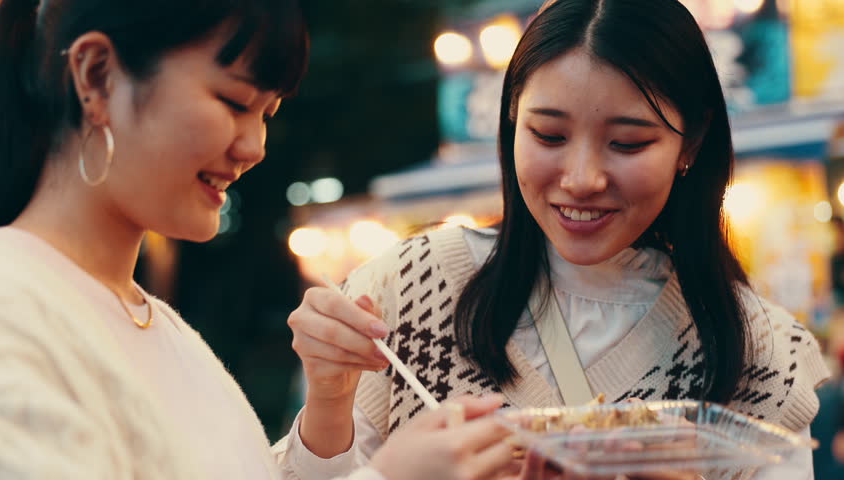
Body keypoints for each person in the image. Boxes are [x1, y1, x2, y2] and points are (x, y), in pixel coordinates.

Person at [0, 0, 516, 478]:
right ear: (96, 76)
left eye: (266, 113)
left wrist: (330, 402)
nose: (255, 146)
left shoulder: (161, 329)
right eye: (235, 102)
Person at [281, 0, 830, 478]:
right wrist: (329, 401)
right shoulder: (413, 287)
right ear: (511, 121)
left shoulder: (762, 357)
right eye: (548, 135)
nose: (582, 178)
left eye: (628, 142)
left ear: (691, 144)